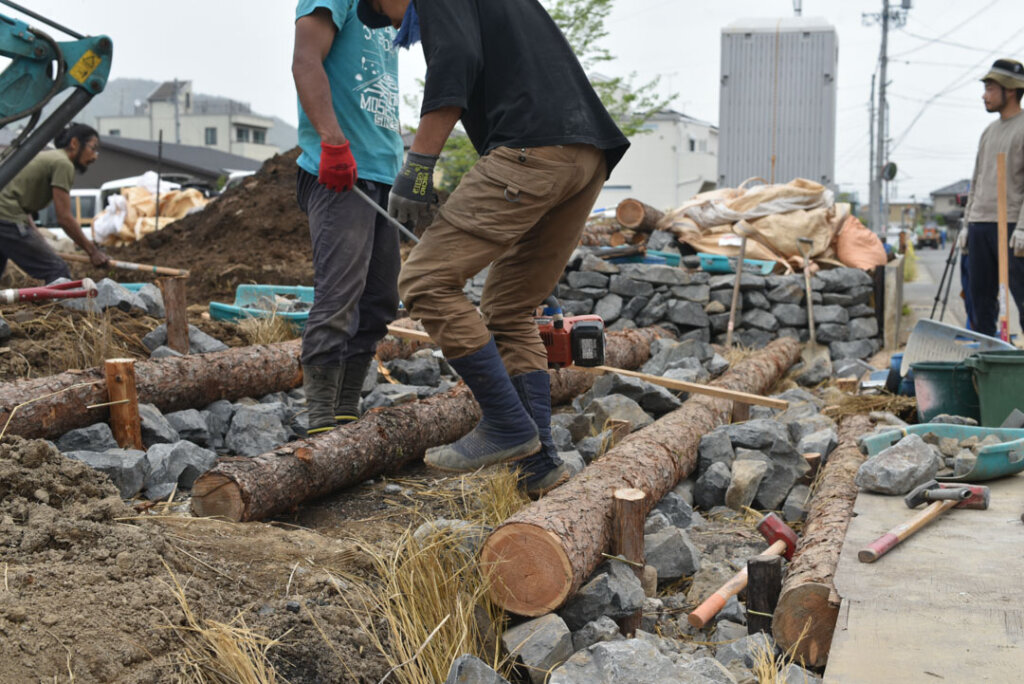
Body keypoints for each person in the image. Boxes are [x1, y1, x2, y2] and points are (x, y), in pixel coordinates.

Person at [358, 0, 630, 496]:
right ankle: (539, 463)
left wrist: (418, 167)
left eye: (383, 11)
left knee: (424, 281)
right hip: (584, 155)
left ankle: (506, 422)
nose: (395, 25)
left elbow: (455, 59)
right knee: (510, 308)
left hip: (532, 147)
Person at [292, 0, 404, 434]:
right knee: (339, 295)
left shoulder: (391, 10)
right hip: (342, 171)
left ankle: (345, 409)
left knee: (379, 301)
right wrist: (333, 141)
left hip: (384, 170)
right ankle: (321, 420)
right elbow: (305, 61)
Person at [0, 123, 109, 282]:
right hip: (6, 218)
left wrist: (37, 237)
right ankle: (60, 298)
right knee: (57, 269)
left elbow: (20, 203)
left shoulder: (50, 158)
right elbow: (64, 218)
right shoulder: (63, 164)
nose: (95, 156)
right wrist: (93, 252)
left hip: (5, 216)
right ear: (74, 143)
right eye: (93, 148)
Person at [963, 58, 1024, 337]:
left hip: (1011, 226)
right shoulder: (988, 132)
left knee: (1022, 296)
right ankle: (987, 352)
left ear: (1009, 90)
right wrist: (967, 224)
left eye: (989, 88)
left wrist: (1022, 227)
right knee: (980, 301)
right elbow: (976, 180)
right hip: (980, 224)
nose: (984, 95)